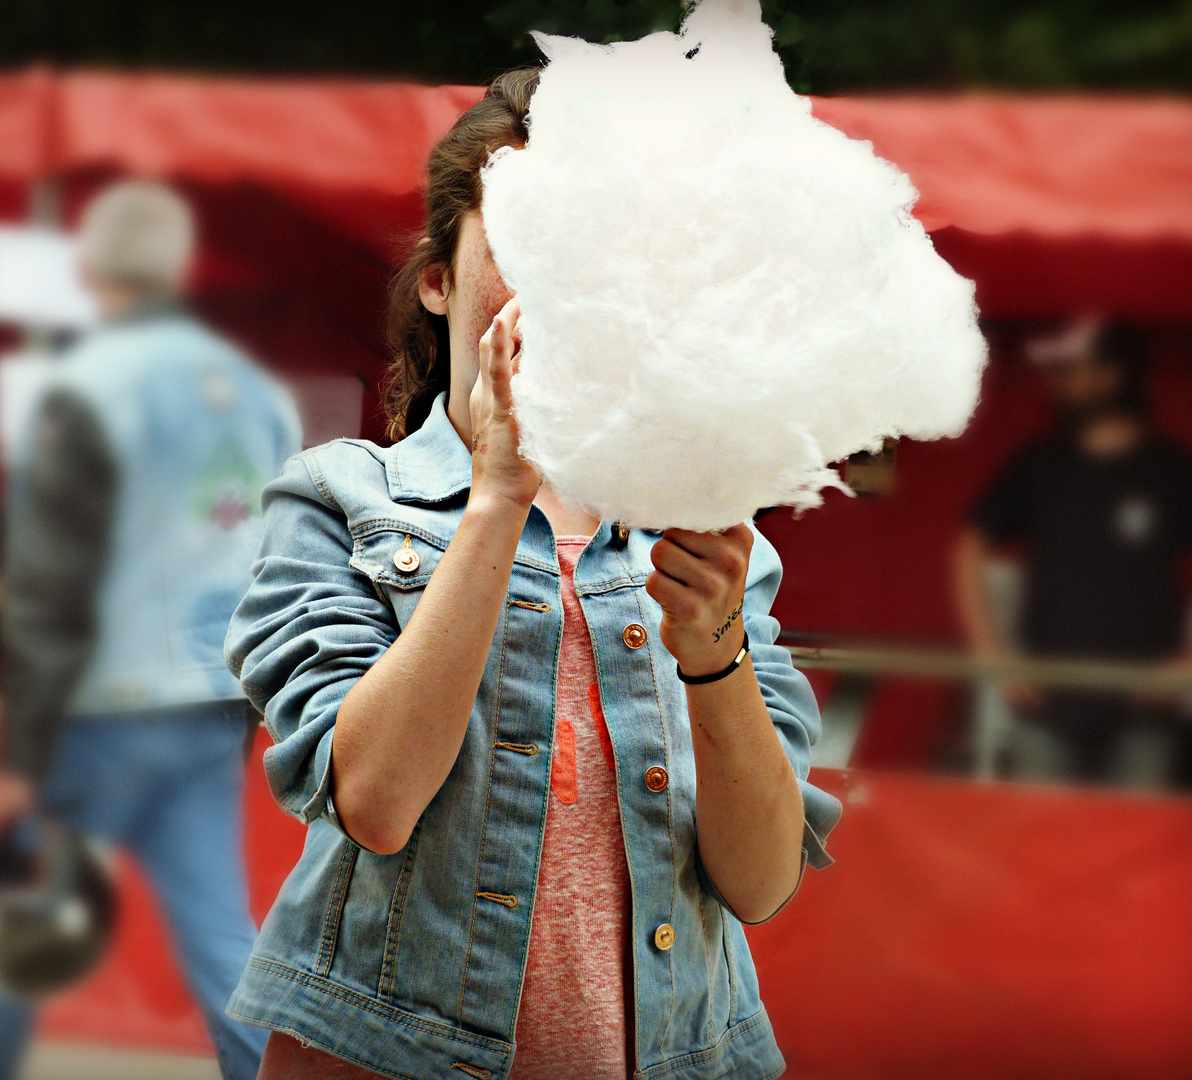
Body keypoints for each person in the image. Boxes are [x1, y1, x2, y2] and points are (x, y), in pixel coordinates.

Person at [224, 69, 840, 1080]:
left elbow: (763, 880)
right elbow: (374, 799)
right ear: (438, 279)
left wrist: (715, 653)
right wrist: (499, 496)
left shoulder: (702, 541)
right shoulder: (334, 498)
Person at [0, 180, 301, 1080]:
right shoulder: (260, 397)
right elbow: (278, 556)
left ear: (92, 268)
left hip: (102, 704)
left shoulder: (79, 390)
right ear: (178, 266)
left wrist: (20, 751)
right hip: (215, 699)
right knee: (221, 939)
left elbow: (51, 581)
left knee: (23, 926)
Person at [953, 317, 1192, 786]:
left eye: (1069, 370)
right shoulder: (1039, 465)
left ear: (1111, 374)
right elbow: (968, 546)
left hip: (1145, 715)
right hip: (1047, 708)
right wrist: (991, 654)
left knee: (1134, 853)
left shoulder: (1171, 471)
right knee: (1043, 850)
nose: (1056, 383)